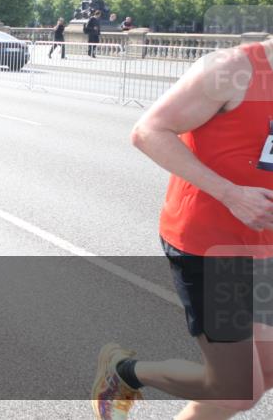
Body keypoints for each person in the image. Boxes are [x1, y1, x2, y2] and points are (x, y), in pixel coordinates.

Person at [91, 37, 273, 420]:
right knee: (238, 390)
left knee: (262, 375)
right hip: (211, 245)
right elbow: (148, 131)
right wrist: (232, 194)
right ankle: (125, 372)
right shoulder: (233, 70)